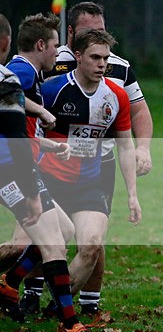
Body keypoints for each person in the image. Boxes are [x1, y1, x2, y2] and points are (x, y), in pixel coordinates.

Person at [24, 1, 154, 317]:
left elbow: (138, 112)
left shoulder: (118, 69)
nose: (97, 39)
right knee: (37, 240)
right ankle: (27, 291)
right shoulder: (51, 65)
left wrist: (142, 149)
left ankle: (74, 302)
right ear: (72, 37)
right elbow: (25, 107)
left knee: (92, 242)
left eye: (101, 31)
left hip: (96, 169)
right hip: (49, 168)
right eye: (89, 32)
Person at [37, 29, 141, 303]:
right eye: (95, 57)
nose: (102, 64)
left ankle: (58, 305)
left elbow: (126, 146)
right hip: (48, 179)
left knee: (91, 245)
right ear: (79, 56)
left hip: (89, 183)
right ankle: (18, 290)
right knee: (26, 247)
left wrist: (132, 195)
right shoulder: (52, 90)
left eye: (105, 58)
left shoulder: (116, 96)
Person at [0, 14, 86, 332]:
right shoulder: (19, 72)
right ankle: (69, 322)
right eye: (54, 46)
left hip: (16, 165)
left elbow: (9, 126)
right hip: (11, 172)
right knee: (53, 244)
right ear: (39, 45)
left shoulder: (23, 75)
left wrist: (42, 142)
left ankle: (8, 283)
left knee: (63, 230)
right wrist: (40, 110)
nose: (58, 52)